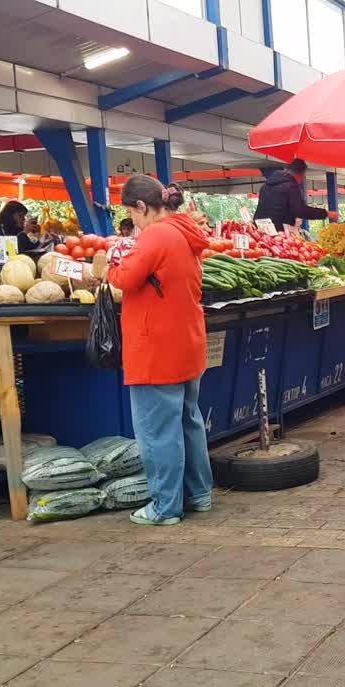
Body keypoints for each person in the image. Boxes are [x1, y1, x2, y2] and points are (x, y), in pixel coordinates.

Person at [106, 175, 213, 526]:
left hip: (156, 348)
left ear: (142, 207)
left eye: (132, 214)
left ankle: (165, 507)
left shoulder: (156, 234)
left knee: (157, 430)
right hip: (187, 341)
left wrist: (107, 264)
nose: (132, 222)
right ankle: (199, 494)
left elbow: (125, 279)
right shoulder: (184, 230)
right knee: (188, 421)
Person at [253, 158, 337, 231]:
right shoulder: (291, 187)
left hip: (259, 228)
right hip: (278, 232)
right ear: (301, 174)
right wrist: (326, 213)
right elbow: (301, 211)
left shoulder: (265, 186)